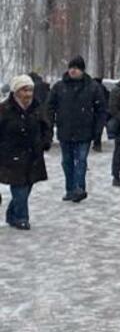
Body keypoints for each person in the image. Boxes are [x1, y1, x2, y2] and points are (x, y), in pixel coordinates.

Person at [47, 56, 106, 203]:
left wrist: (97, 130)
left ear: (82, 70)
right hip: (65, 130)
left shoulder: (92, 87)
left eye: (77, 68)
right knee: (67, 162)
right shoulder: (59, 87)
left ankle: (79, 188)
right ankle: (70, 189)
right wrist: (51, 122)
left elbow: (101, 110)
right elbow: (49, 106)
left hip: (85, 131)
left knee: (81, 161)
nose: (73, 70)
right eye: (71, 67)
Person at [0, 74, 51, 228]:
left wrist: (45, 141)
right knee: (19, 187)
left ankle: (12, 214)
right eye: (24, 90)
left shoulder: (37, 108)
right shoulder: (4, 110)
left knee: (27, 186)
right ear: (15, 92)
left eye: (30, 90)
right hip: (11, 155)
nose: (28, 94)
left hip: (33, 154)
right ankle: (22, 218)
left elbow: (46, 126)